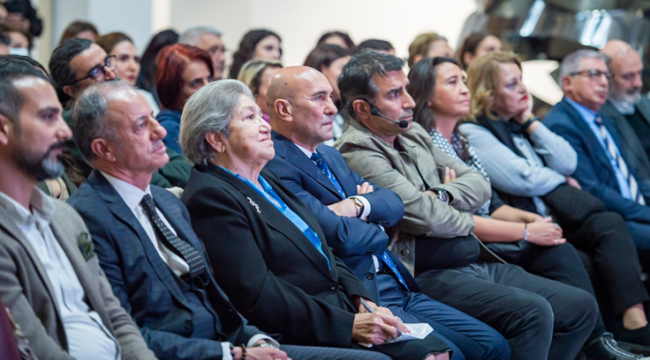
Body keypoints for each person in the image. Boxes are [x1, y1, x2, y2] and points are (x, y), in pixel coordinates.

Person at [334, 50, 598, 360]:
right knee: (533, 312)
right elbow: (426, 217)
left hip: (471, 256)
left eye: (406, 89)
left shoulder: (413, 132)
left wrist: (441, 193)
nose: (409, 102)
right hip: (427, 270)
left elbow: (479, 184)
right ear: (363, 108)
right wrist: (453, 207)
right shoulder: (357, 152)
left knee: (580, 307)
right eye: (395, 93)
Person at [67, 80, 348, 360]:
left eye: (153, 119)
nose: (161, 131)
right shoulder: (87, 217)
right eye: (141, 126)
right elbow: (121, 330)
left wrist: (255, 340)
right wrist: (232, 354)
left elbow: (214, 296)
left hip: (238, 341)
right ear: (104, 149)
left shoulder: (165, 202)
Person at [180, 80, 452, 360]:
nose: (264, 125)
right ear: (216, 139)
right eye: (249, 117)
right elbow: (258, 293)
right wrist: (349, 325)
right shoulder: (211, 197)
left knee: (439, 352)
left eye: (258, 115)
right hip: (299, 326)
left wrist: (361, 299)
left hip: (342, 305)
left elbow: (322, 247)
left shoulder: (266, 177)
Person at [265, 66, 511, 360]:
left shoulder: (329, 154)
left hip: (397, 280)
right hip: (359, 292)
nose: (332, 108)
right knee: (448, 356)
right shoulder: (274, 164)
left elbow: (393, 204)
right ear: (284, 110)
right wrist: (373, 220)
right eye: (319, 99)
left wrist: (358, 205)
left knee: (494, 346)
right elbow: (336, 236)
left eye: (331, 97)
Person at [413, 55, 650, 359]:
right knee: (579, 252)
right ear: (428, 97)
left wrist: (536, 221)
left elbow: (491, 201)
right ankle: (606, 339)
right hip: (468, 249)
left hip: (486, 235)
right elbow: (503, 190)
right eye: (452, 82)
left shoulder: (461, 139)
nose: (464, 88)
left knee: (583, 245)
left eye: (463, 79)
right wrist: (528, 226)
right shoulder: (445, 140)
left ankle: (601, 341)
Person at [0, 59, 156, 360]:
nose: (64, 131)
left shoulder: (64, 216)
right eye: (48, 117)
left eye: (61, 116)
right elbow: (32, 346)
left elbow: (114, 313)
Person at [543, 49, 650, 267]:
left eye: (606, 76)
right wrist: (645, 213)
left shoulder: (603, 118)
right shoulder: (560, 124)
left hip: (631, 210)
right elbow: (593, 189)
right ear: (567, 82)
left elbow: (631, 176)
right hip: (612, 220)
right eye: (594, 74)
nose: (603, 82)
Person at [49, 38, 189, 188]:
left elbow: (183, 166)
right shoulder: (74, 126)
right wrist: (157, 166)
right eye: (95, 72)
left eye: (108, 62)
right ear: (71, 90)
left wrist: (155, 164)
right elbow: (150, 181)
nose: (111, 74)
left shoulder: (128, 108)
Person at [599, 40, 650, 189]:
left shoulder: (644, 103)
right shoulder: (599, 118)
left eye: (639, 73)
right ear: (606, 77)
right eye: (628, 77)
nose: (638, 83)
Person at [155, 43, 212, 155]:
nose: (208, 88)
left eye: (209, 78)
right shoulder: (169, 128)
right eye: (196, 83)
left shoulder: (201, 120)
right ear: (173, 89)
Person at [96, 31, 159, 115]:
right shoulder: (96, 104)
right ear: (104, 63)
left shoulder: (145, 97)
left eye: (136, 60)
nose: (133, 67)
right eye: (123, 59)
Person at [304, 44, 350, 143]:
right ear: (322, 70)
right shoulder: (307, 118)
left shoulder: (345, 114)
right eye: (343, 68)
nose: (349, 75)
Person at [237, 58, 282, 123]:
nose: (285, 92)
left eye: (285, 85)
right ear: (253, 93)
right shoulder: (251, 131)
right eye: (275, 87)